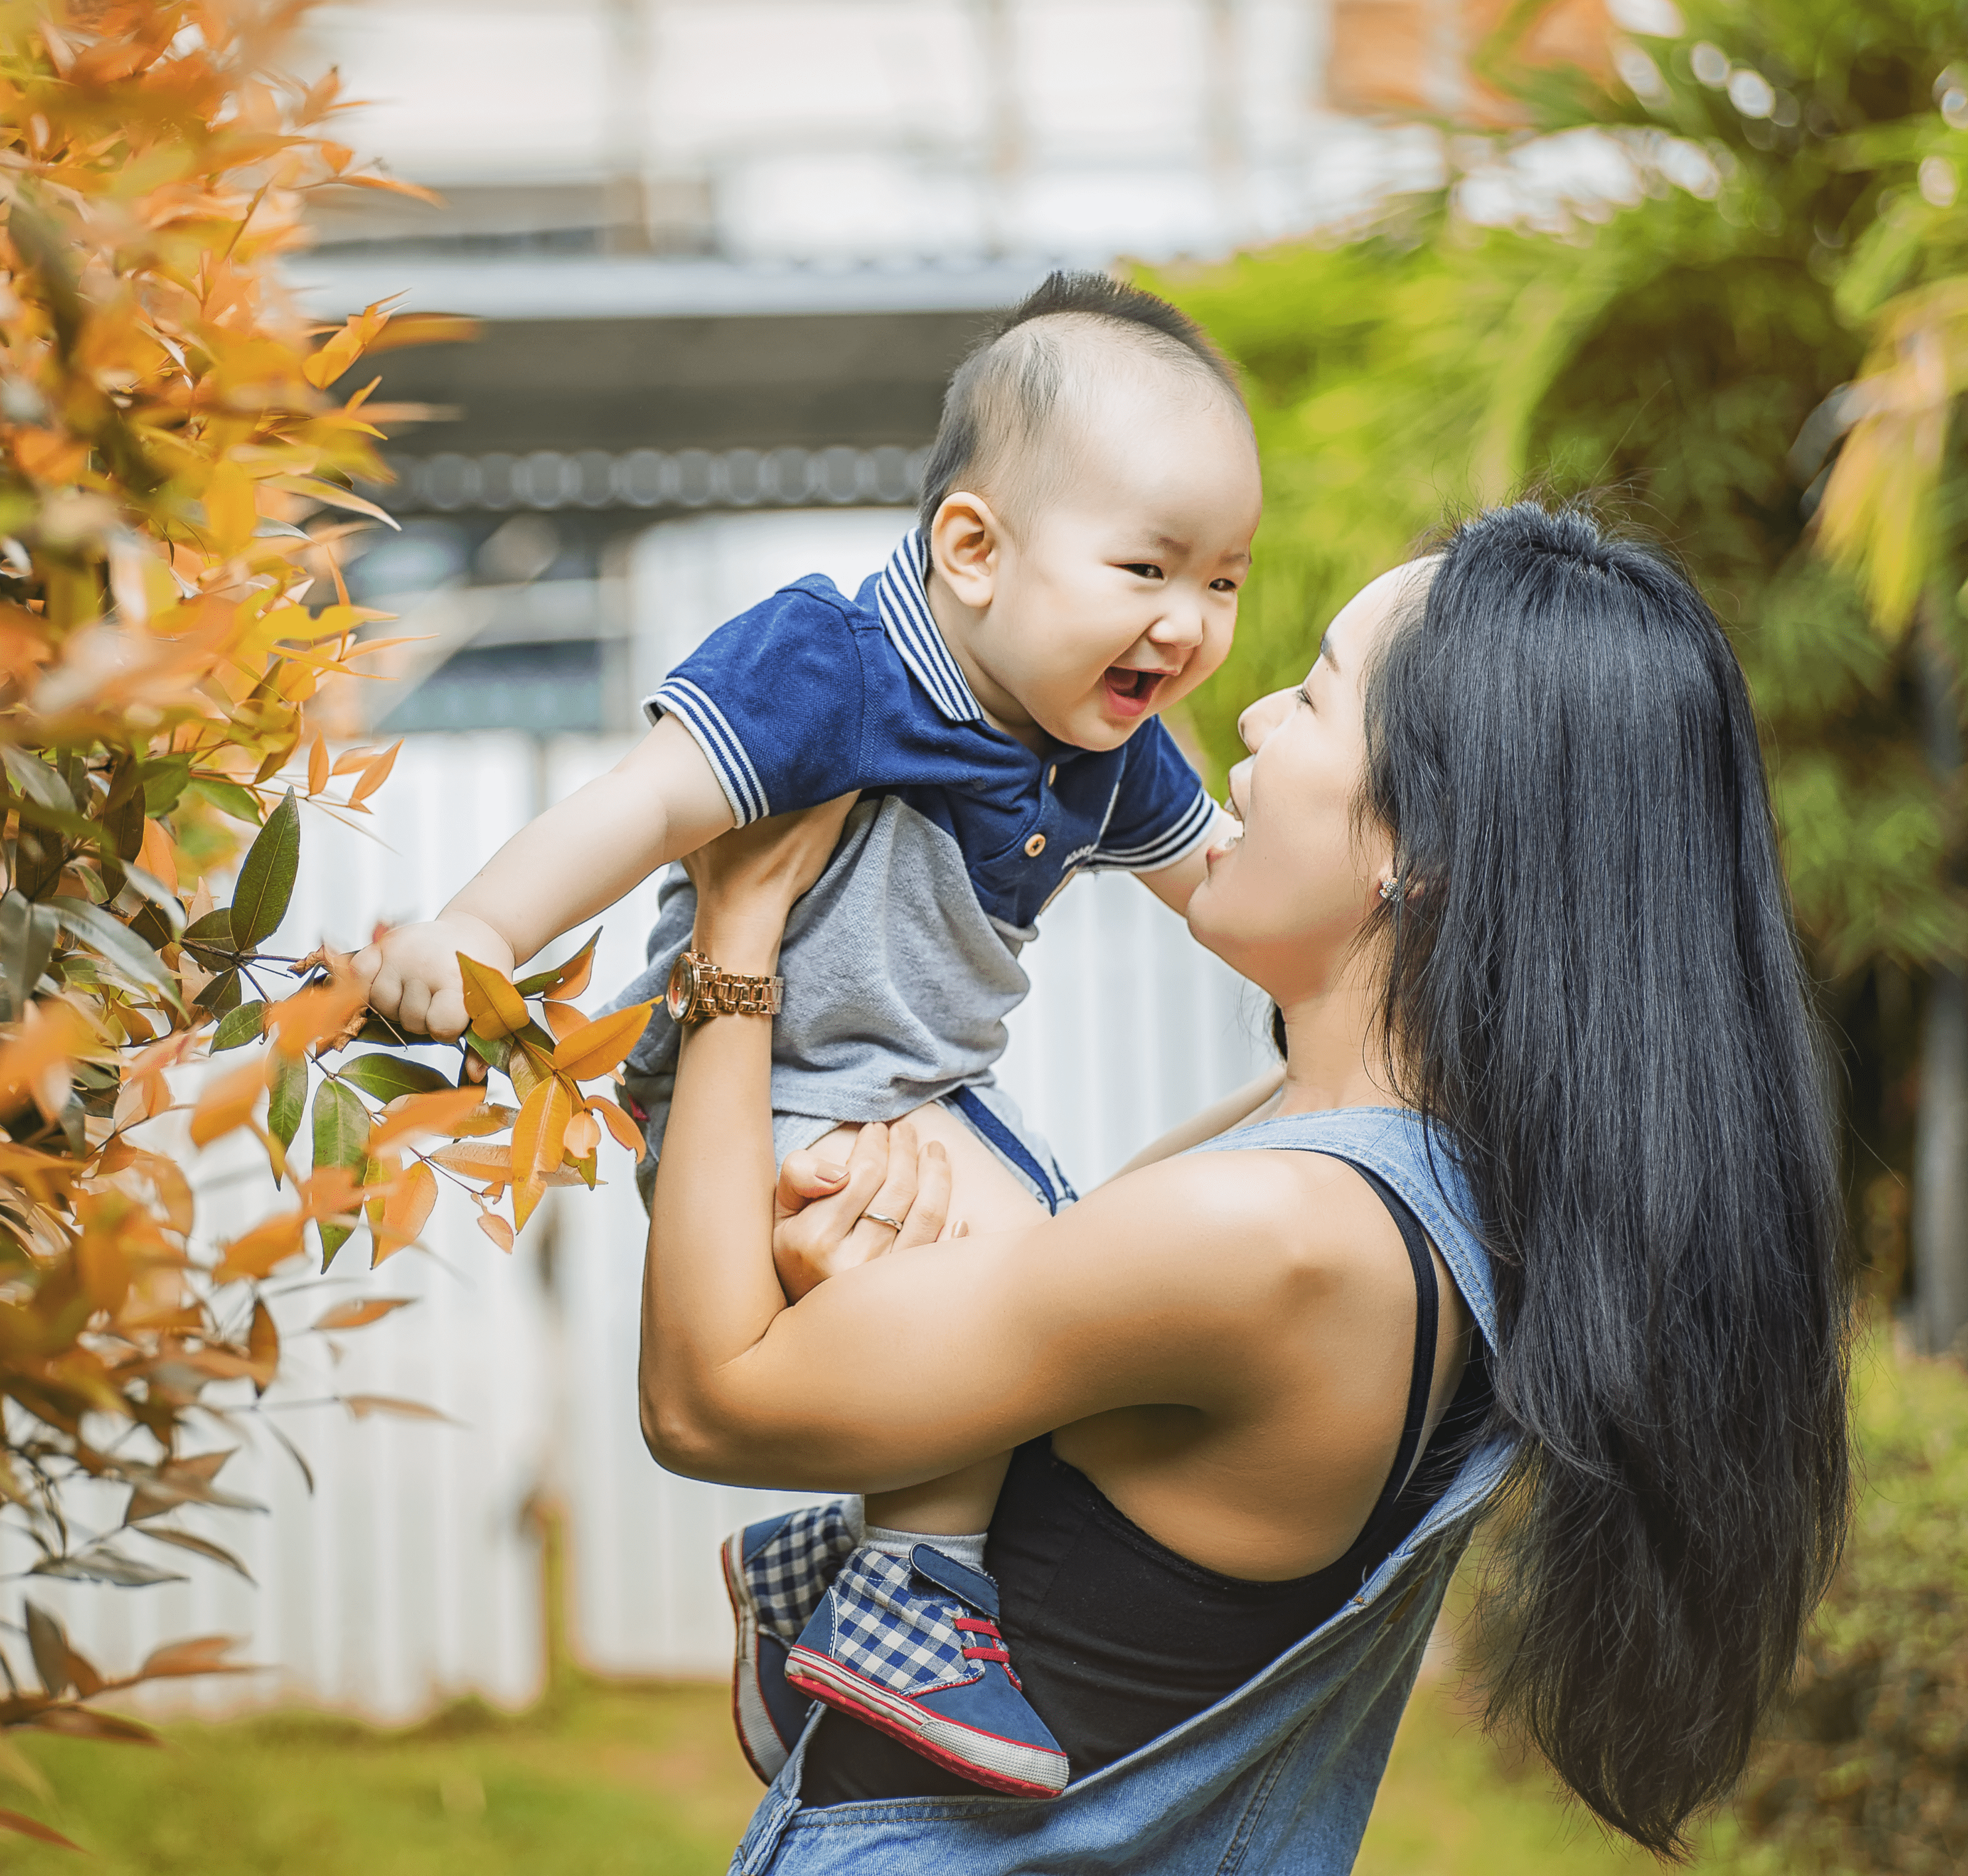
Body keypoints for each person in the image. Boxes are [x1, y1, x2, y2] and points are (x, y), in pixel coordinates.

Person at [640, 502, 1853, 1874]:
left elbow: (705, 1397)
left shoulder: (1280, 1238)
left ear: (1418, 846)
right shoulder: (1418, 1182)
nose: (1254, 720)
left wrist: (737, 928)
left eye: (1316, 695)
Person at [350, 271, 1260, 1789]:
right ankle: (904, 1600)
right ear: (971, 549)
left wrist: (1375, 916)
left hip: (928, 1090)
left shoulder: (1098, 744)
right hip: (755, 1092)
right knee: (998, 1287)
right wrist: (475, 932)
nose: (1188, 623)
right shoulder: (834, 664)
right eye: (1148, 568)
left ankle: (812, 1589)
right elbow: (639, 807)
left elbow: (1225, 886)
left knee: (1062, 1263)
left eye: (1223, 581)